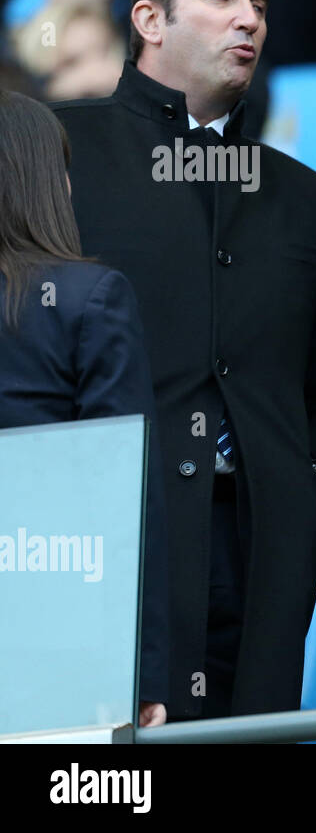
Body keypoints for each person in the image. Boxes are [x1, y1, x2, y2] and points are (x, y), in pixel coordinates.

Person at [53, 0, 316, 720]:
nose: (249, 20)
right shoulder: (59, 151)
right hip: (106, 549)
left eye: (259, 2)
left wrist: (309, 497)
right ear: (150, 20)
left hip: (261, 550)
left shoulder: (303, 196)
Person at [0, 89, 168, 728]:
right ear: (48, 184)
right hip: (59, 642)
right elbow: (124, 501)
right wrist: (141, 671)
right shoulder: (91, 298)